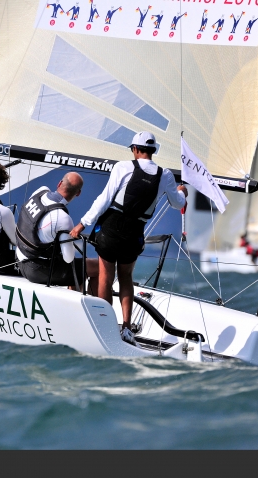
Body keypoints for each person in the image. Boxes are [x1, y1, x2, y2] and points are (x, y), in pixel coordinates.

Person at [69, 131, 187, 345]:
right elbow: (177, 203)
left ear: (134, 149)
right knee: (126, 277)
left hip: (113, 226)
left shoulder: (123, 167)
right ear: (154, 151)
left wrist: (81, 224)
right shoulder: (166, 175)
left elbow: (104, 199)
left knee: (105, 275)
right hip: (135, 231)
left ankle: (105, 324)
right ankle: (126, 328)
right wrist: (182, 193)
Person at [16, 172, 99, 291]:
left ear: (59, 183)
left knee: (78, 268)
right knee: (97, 268)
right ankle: (88, 308)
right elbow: (68, 258)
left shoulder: (40, 191)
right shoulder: (63, 219)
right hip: (37, 270)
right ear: (78, 193)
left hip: (19, 259)